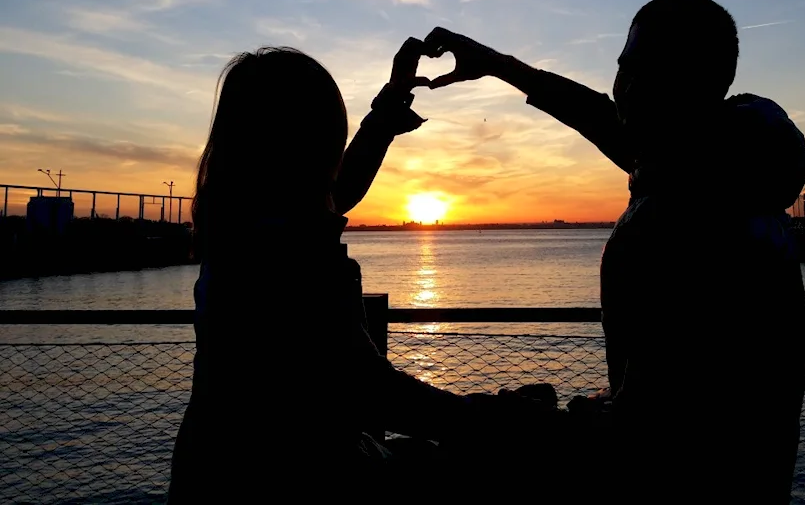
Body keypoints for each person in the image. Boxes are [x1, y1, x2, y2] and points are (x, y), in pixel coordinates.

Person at [424, 0, 805, 499]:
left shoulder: (683, 218)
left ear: (689, 81)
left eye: (644, 71)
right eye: (624, 69)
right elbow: (598, 117)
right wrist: (498, 65)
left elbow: (661, 432)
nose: (624, 89)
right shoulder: (715, 168)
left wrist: (522, 422)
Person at [167, 41, 561, 502]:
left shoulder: (244, 222)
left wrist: (394, 97)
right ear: (315, 139)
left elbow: (343, 186)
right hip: (287, 480)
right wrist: (495, 418)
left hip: (213, 471)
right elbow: (369, 389)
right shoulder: (287, 249)